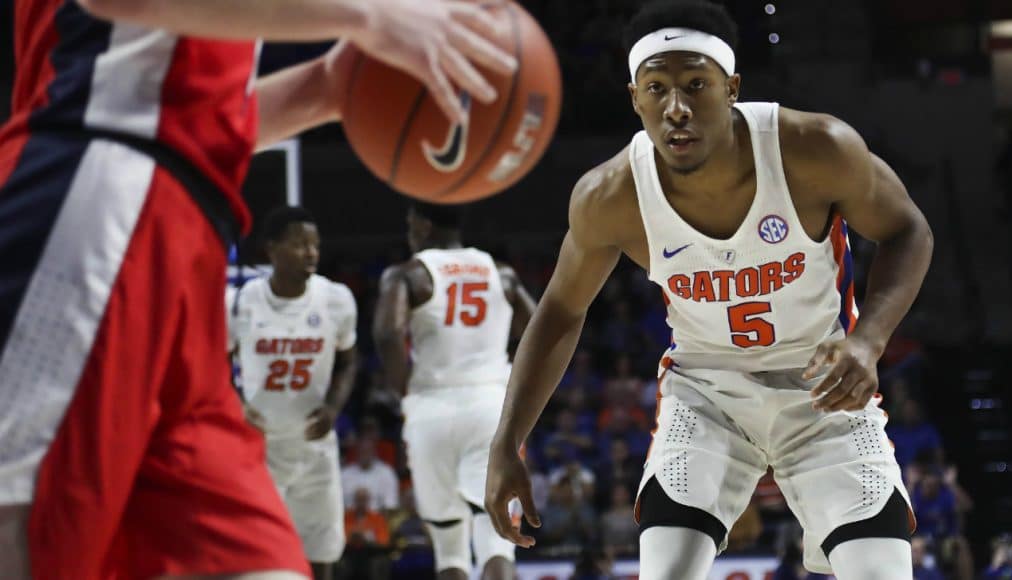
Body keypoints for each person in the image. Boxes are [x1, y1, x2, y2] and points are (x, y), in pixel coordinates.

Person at [0, 0, 516, 578]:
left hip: (183, 232)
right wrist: (367, 15)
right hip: (98, 201)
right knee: (29, 536)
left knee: (264, 565)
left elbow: (191, 115)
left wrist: (329, 86)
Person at [484, 2, 933, 579]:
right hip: (708, 391)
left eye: (696, 84)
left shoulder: (814, 147)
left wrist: (869, 341)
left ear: (732, 88)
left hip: (823, 386)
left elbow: (908, 229)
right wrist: (507, 442)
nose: (676, 108)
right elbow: (560, 312)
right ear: (635, 98)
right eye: (657, 88)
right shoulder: (610, 195)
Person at [374, 201, 537, 580]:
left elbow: (386, 333)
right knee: (497, 542)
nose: (409, 231)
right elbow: (541, 330)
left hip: (430, 410)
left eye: (411, 223)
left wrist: (404, 388)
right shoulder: (503, 274)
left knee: (449, 550)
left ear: (424, 224)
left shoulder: (408, 274)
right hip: (490, 409)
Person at [228, 206, 358, 580]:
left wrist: (333, 407)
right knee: (259, 556)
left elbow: (349, 361)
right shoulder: (240, 303)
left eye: (315, 244)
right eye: (300, 244)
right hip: (260, 447)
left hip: (313, 445)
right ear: (272, 250)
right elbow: (212, 364)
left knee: (321, 555)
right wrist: (237, 402)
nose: (311, 253)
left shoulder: (336, 300)